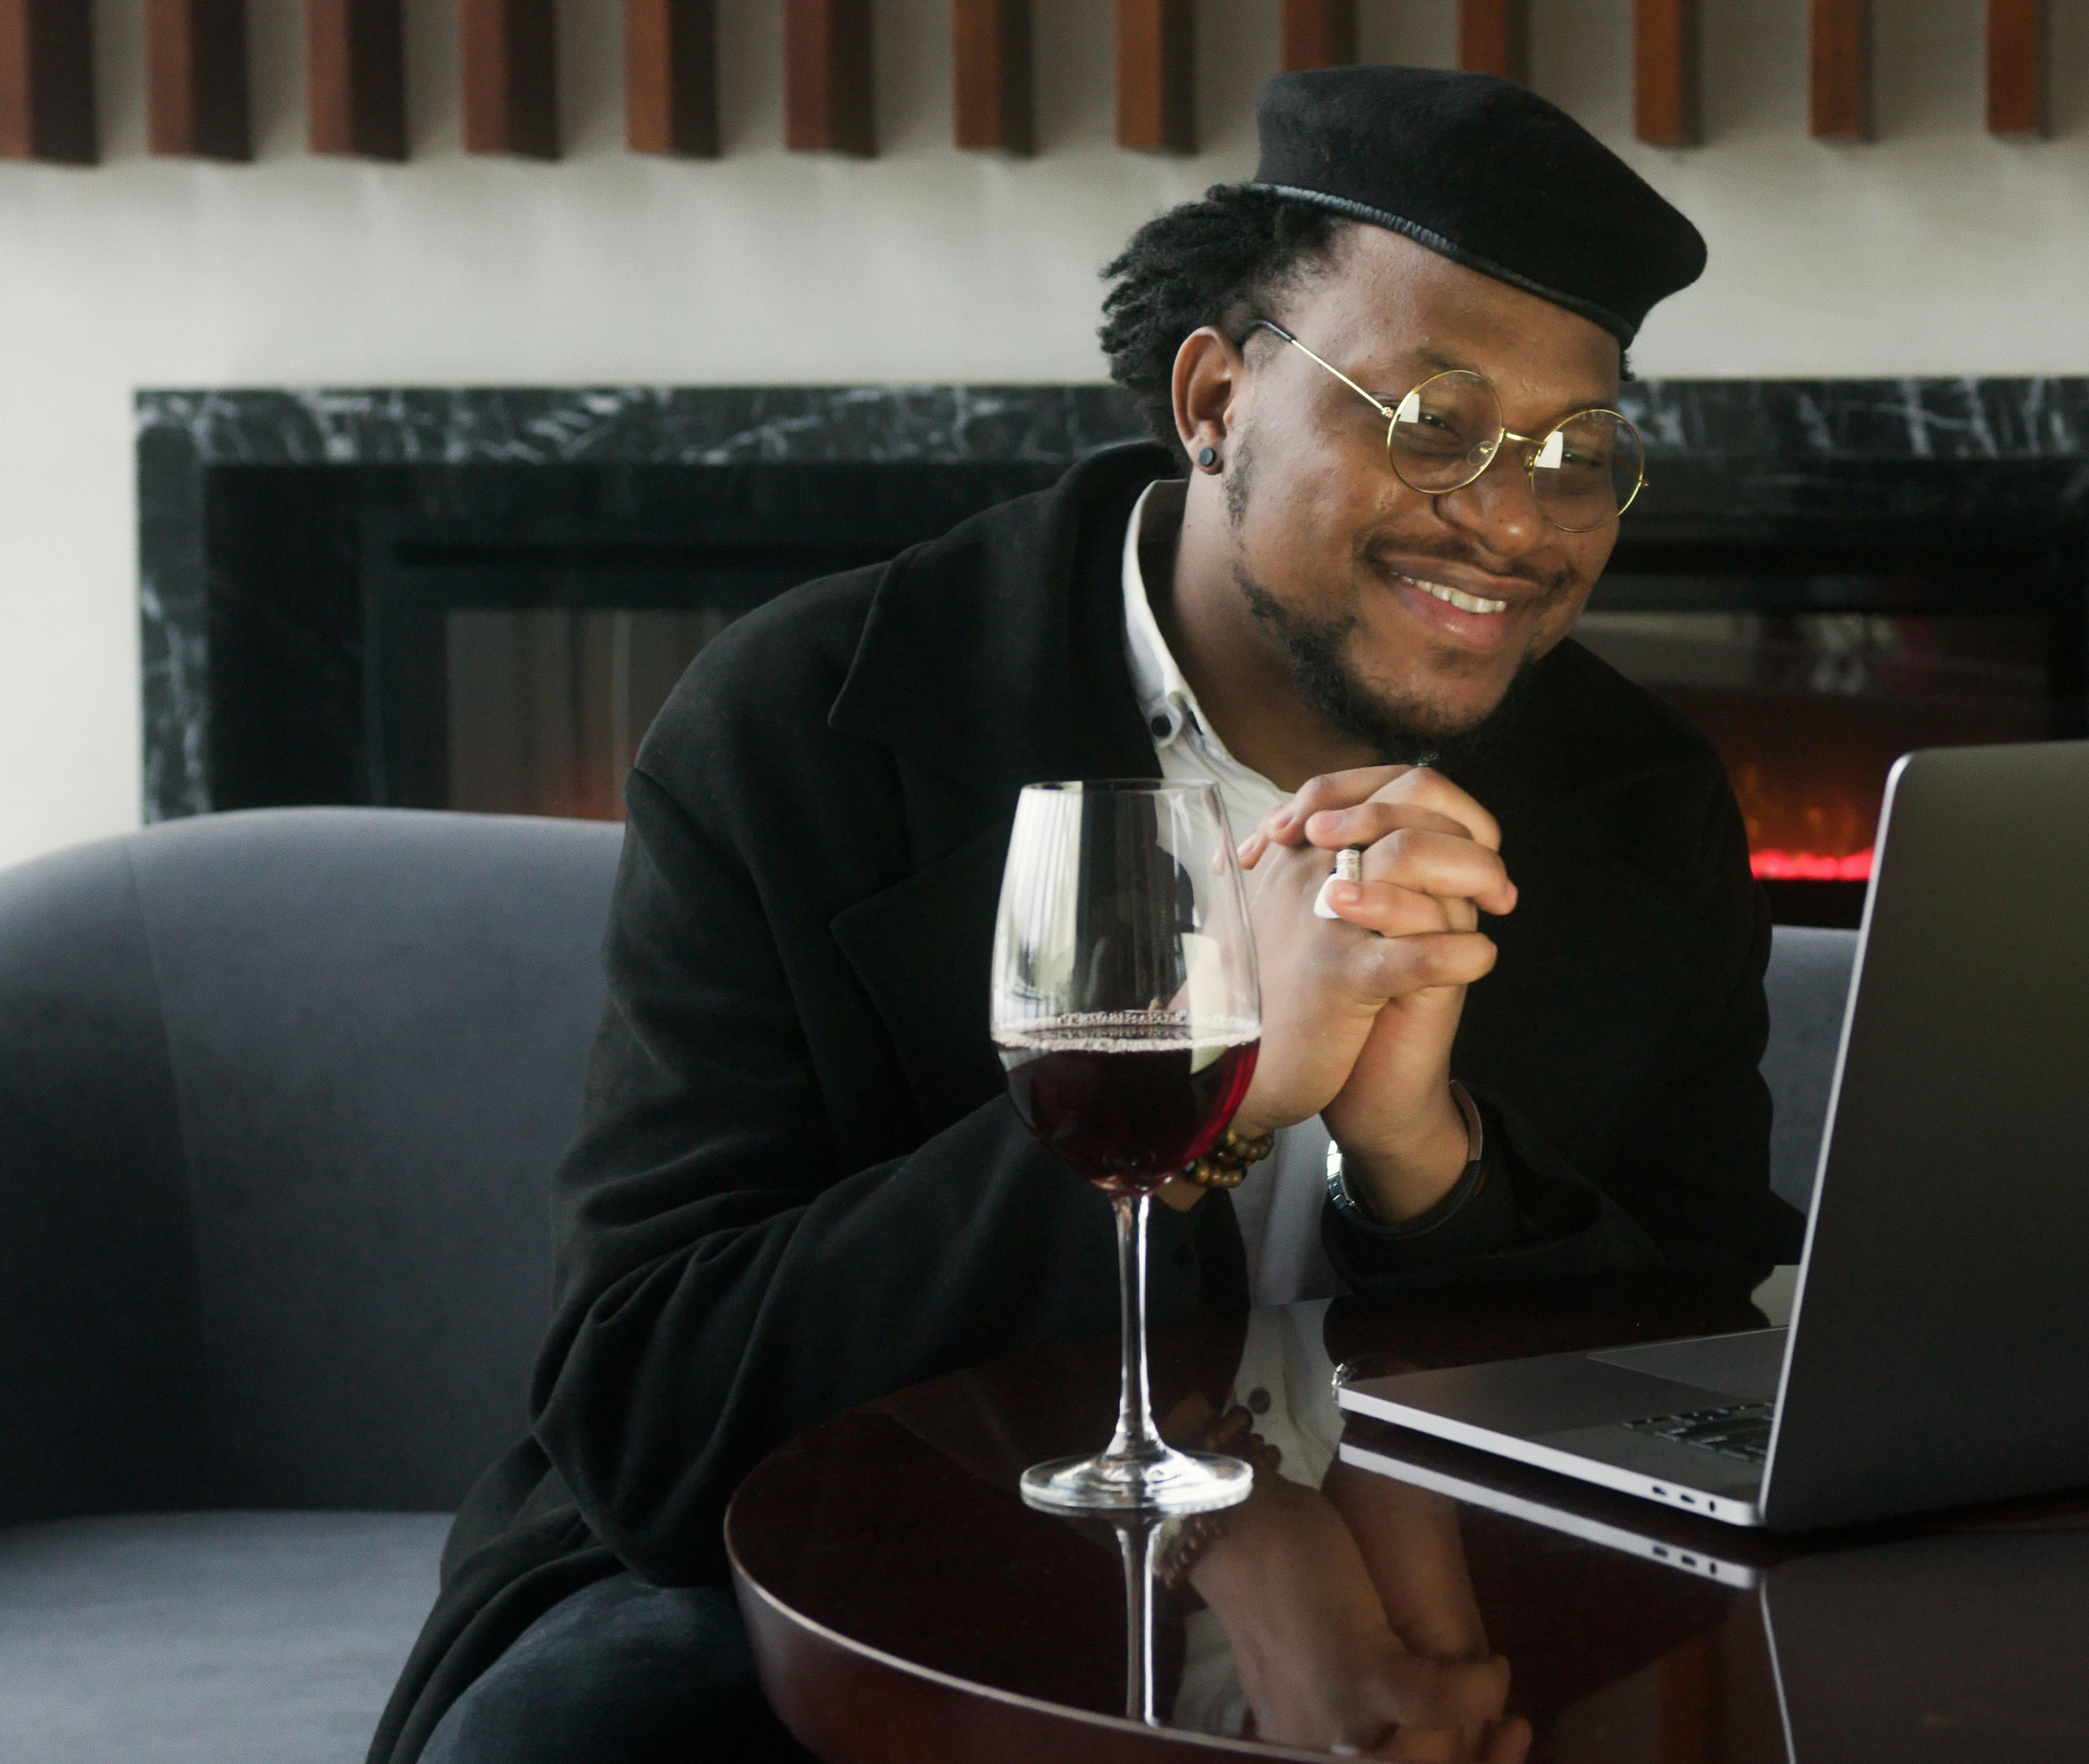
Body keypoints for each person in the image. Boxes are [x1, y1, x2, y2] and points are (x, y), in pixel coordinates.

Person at [372, 65, 1805, 1764]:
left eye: (1578, 455)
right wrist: (1212, 1081)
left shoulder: (1636, 800)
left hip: (1456, 1610)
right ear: (1215, 396)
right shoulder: (811, 719)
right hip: (828, 1567)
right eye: (1433, 421)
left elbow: (1712, 1369)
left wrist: (1434, 1166)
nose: (1509, 518)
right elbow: (657, 1414)